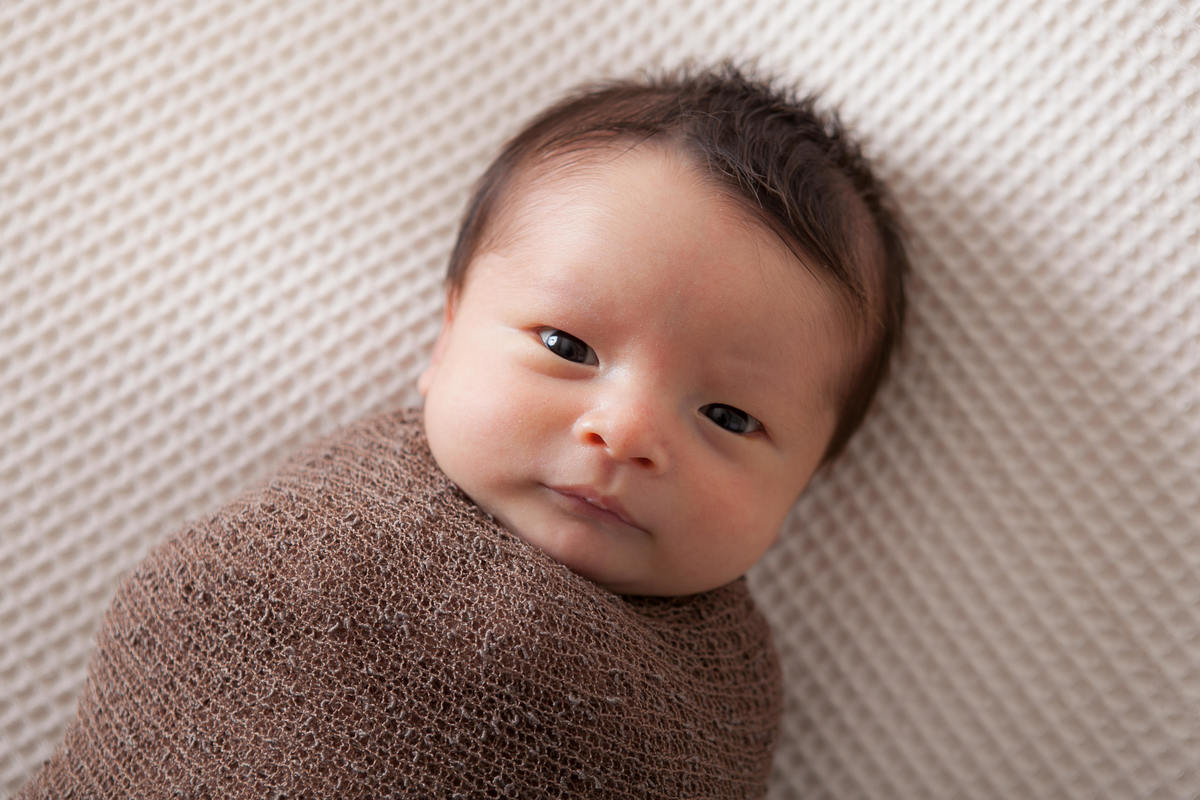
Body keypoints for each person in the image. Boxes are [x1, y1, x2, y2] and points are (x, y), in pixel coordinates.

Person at [17, 64, 907, 799]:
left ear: (805, 483)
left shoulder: (720, 702)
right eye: (567, 346)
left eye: (728, 416)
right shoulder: (317, 541)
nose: (624, 430)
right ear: (445, 341)